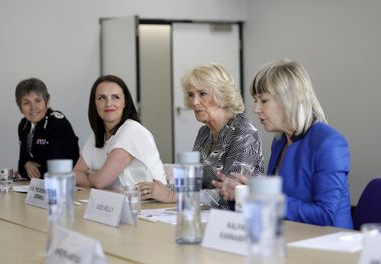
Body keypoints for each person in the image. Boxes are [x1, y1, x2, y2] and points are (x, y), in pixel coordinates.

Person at [213, 60, 353, 228]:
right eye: (255, 101)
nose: (256, 109)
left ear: (290, 100)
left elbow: (325, 215)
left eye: (263, 101)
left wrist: (256, 195)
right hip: (288, 237)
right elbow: (279, 200)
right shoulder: (280, 142)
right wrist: (240, 193)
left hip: (329, 245)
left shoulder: (329, 144)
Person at [137, 63, 264, 208]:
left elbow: (228, 194)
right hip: (206, 213)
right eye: (191, 95)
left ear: (221, 94)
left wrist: (172, 196)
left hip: (237, 219)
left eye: (202, 94)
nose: (194, 102)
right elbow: (193, 185)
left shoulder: (243, 132)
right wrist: (160, 189)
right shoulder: (204, 133)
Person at [74, 75, 167, 190]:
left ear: (125, 102)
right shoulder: (97, 135)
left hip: (149, 203)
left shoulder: (132, 131)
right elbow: (75, 174)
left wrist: (91, 175)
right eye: (101, 98)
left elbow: (101, 182)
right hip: (117, 202)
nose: (108, 104)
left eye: (115, 97)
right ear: (94, 104)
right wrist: (95, 177)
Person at [16, 78, 80, 179]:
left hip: (66, 186)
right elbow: (21, 165)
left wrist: (31, 170)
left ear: (47, 102)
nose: (33, 107)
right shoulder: (23, 125)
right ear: (20, 107)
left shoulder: (57, 123)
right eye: (26, 103)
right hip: (38, 186)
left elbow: (57, 170)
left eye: (38, 101)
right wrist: (27, 164)